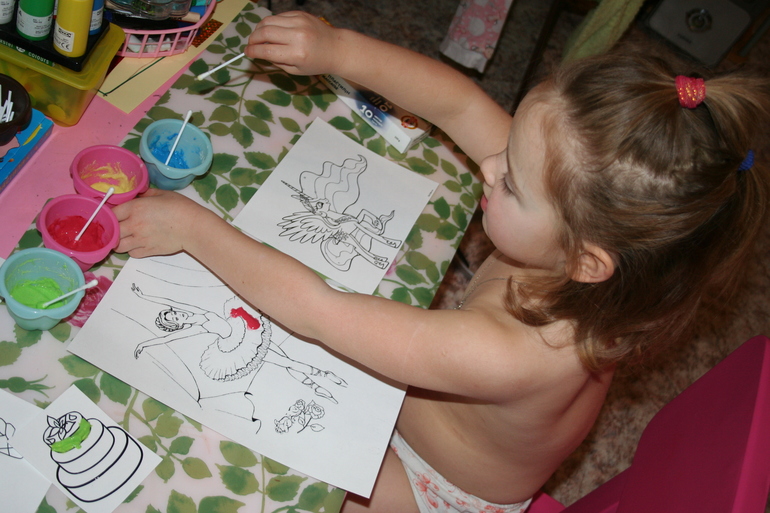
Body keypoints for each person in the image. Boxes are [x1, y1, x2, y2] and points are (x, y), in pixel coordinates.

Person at [114, 11, 770, 513]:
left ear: (585, 260)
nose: (488, 166)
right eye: (507, 151)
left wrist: (195, 230)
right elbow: (458, 104)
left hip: (432, 486)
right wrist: (337, 49)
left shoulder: (510, 351)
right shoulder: (575, 216)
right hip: (428, 402)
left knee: (252, 468)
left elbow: (318, 311)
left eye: (511, 182)